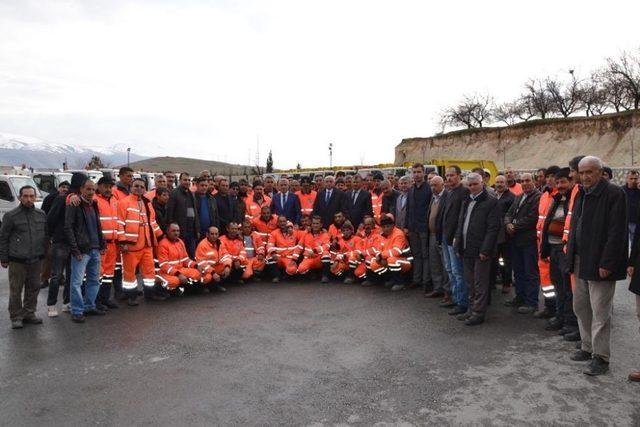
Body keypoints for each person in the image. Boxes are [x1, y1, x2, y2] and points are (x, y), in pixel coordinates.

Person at [566, 156, 627, 376]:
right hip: (581, 259)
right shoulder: (581, 193)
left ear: (601, 172)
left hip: (600, 262)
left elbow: (617, 232)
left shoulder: (614, 194)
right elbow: (575, 227)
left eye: (589, 172)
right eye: (581, 173)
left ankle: (601, 357)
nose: (584, 177)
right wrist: (570, 256)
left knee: (601, 312)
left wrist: (608, 263)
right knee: (581, 307)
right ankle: (587, 346)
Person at [454, 173, 499, 326]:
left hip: (481, 250)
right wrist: (458, 244)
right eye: (470, 185)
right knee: (470, 282)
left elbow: (493, 228)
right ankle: (471, 309)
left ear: (482, 183)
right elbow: (461, 224)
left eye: (475, 184)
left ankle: (478, 312)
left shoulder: (491, 202)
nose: (472, 187)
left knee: (480, 283)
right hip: (466, 248)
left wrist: (485, 250)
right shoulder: (467, 200)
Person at [0, 185, 47, 329]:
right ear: (20, 197)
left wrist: (44, 255)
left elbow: (44, 237)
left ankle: (29, 313)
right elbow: (3, 238)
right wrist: (4, 258)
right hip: (17, 260)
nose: (28, 199)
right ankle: (16, 316)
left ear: (35, 197)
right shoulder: (11, 216)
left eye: (31, 196)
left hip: (36, 259)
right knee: (16, 289)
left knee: (34, 288)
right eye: (25, 196)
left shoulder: (41, 215)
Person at [539, 168, 578, 335]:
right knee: (558, 286)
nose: (560, 185)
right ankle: (560, 316)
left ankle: (570, 322)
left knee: (568, 288)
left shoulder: (573, 201)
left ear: (571, 182)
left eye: (564, 182)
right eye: (558, 182)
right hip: (553, 249)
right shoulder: (556, 199)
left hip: (564, 250)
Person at [64, 178, 106, 323]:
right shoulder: (74, 204)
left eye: (93, 190)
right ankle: (77, 310)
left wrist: (102, 244)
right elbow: (68, 228)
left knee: (94, 280)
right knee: (76, 282)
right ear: (81, 189)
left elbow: (98, 226)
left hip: (95, 249)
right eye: (88, 189)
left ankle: (89, 306)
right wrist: (75, 250)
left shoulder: (94, 204)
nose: (90, 192)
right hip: (81, 251)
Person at [118, 177, 164, 306]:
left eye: (142, 187)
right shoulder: (124, 202)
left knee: (149, 272)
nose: (139, 188)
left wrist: (161, 236)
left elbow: (152, 222)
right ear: (131, 188)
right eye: (136, 186)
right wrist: (122, 242)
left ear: (145, 189)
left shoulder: (147, 203)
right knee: (129, 273)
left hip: (147, 244)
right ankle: (131, 297)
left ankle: (149, 294)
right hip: (131, 245)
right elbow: (119, 224)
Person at [504, 173, 540, 314]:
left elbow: (532, 218)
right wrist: (508, 224)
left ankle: (531, 302)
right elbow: (508, 213)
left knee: (530, 272)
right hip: (515, 240)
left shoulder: (538, 197)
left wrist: (514, 226)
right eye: (522, 181)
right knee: (518, 271)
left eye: (527, 180)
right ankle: (520, 297)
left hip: (529, 241)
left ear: (534, 182)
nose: (524, 183)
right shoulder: (519, 197)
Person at [440, 165, 470, 314]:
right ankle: (455, 298)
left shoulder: (464, 192)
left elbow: (462, 218)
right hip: (446, 237)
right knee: (450, 270)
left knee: (458, 272)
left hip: (454, 240)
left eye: (452, 175)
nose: (449, 178)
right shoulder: (449, 192)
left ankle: (462, 302)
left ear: (459, 176)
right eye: (447, 176)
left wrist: (457, 238)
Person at [535, 165, 560, 319]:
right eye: (548, 176)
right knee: (545, 278)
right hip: (541, 244)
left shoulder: (561, 196)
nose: (549, 179)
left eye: (553, 176)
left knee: (558, 280)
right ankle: (549, 307)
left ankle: (559, 311)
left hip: (554, 244)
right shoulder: (544, 195)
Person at [405, 163, 433, 291]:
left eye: (418, 172)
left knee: (425, 255)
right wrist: (406, 226)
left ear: (424, 173)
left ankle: (426, 281)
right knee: (416, 255)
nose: (416, 174)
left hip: (424, 228)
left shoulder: (429, 189)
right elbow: (408, 210)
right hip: (412, 227)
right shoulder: (411, 190)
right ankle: (417, 279)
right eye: (414, 172)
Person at [95, 177, 120, 311]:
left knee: (109, 273)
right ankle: (96, 300)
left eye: (110, 187)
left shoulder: (114, 201)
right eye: (105, 186)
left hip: (113, 244)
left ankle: (105, 298)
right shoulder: (94, 200)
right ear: (98, 186)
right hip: (100, 244)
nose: (108, 189)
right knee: (98, 273)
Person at [369, 214, 412, 291]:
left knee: (391, 260)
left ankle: (400, 282)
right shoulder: (381, 235)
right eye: (384, 227)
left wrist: (382, 255)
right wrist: (379, 256)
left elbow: (397, 251)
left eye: (388, 226)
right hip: (389, 258)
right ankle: (390, 279)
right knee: (373, 263)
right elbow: (379, 249)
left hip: (406, 260)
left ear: (392, 225)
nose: (386, 229)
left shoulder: (398, 234)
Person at [157, 223, 204, 292]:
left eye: (178, 231)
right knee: (174, 281)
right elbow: (164, 266)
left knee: (197, 273)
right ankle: (161, 289)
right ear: (167, 231)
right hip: (166, 272)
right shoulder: (163, 244)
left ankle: (185, 289)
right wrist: (178, 274)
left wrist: (196, 266)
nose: (176, 233)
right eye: (173, 231)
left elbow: (185, 259)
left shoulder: (180, 242)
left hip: (179, 269)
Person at [424, 176, 449, 299]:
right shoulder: (433, 198)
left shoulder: (446, 197)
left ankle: (447, 291)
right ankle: (437, 288)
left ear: (442, 185)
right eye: (431, 185)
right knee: (434, 263)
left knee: (445, 265)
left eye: (435, 185)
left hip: (442, 235)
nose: (433, 188)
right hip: (432, 235)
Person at [491, 175, 515, 294]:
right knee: (495, 259)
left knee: (506, 260)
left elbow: (511, 215)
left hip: (506, 235)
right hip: (494, 234)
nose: (499, 184)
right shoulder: (493, 195)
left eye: (501, 182)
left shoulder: (511, 198)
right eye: (497, 182)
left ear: (506, 184)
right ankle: (495, 281)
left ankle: (507, 282)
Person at [167, 172, 199, 257]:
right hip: (180, 232)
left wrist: (196, 229)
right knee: (180, 255)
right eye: (185, 180)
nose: (187, 182)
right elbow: (170, 213)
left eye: (189, 180)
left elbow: (194, 213)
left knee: (191, 255)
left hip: (191, 232)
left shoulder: (191, 194)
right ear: (180, 180)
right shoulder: (174, 193)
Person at [266, 216, 301, 282]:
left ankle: (285, 274)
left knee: (292, 270)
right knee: (269, 258)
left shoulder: (294, 232)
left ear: (286, 222)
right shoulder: (274, 233)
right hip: (278, 257)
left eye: (284, 221)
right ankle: (277, 276)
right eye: (280, 222)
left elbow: (305, 234)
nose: (282, 223)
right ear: (278, 223)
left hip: (289, 258)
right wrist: (273, 253)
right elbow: (270, 245)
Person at [195, 226, 230, 292]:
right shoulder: (202, 245)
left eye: (216, 234)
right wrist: (213, 272)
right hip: (204, 270)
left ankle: (216, 285)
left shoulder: (220, 243)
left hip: (215, 267)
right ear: (207, 234)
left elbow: (226, 255)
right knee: (208, 277)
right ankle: (202, 287)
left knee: (227, 267)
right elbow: (201, 263)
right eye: (212, 234)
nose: (214, 236)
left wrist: (227, 266)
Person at [298, 215, 331, 282]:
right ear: (311, 224)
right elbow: (299, 247)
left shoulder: (325, 234)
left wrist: (315, 250)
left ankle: (325, 276)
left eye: (317, 223)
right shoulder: (306, 233)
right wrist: (293, 259)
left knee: (326, 254)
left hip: (318, 258)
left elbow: (327, 246)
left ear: (321, 225)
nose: (315, 225)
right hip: (308, 258)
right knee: (301, 269)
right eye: (313, 223)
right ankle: (312, 273)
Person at [358, 217, 385, 286]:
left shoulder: (378, 234)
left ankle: (373, 279)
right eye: (366, 224)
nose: (367, 226)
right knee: (358, 273)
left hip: (378, 258)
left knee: (369, 259)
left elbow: (375, 250)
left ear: (373, 224)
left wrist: (362, 254)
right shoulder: (366, 234)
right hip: (366, 258)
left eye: (369, 224)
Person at [194, 176, 219, 241]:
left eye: (206, 185)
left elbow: (216, 216)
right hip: (196, 232)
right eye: (202, 185)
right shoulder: (192, 198)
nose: (204, 187)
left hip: (210, 232)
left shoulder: (212, 199)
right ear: (197, 185)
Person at [623, 170, 640, 247]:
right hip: (624, 221)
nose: (633, 181)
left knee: (634, 245)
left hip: (636, 221)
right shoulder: (621, 191)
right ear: (627, 179)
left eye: (635, 179)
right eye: (631, 178)